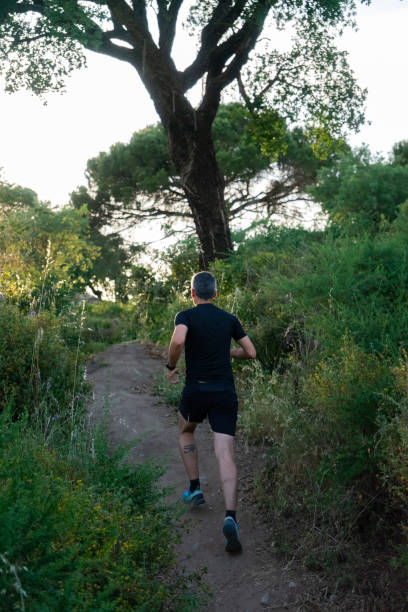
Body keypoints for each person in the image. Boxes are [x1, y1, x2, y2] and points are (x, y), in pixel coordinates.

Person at [166, 271, 256, 553]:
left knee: (185, 430)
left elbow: (179, 341)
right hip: (224, 394)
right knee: (225, 452)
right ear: (216, 294)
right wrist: (226, 352)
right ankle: (231, 516)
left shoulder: (186, 316)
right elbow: (251, 353)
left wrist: (170, 366)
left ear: (192, 293)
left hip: (197, 391)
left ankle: (194, 487)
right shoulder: (229, 319)